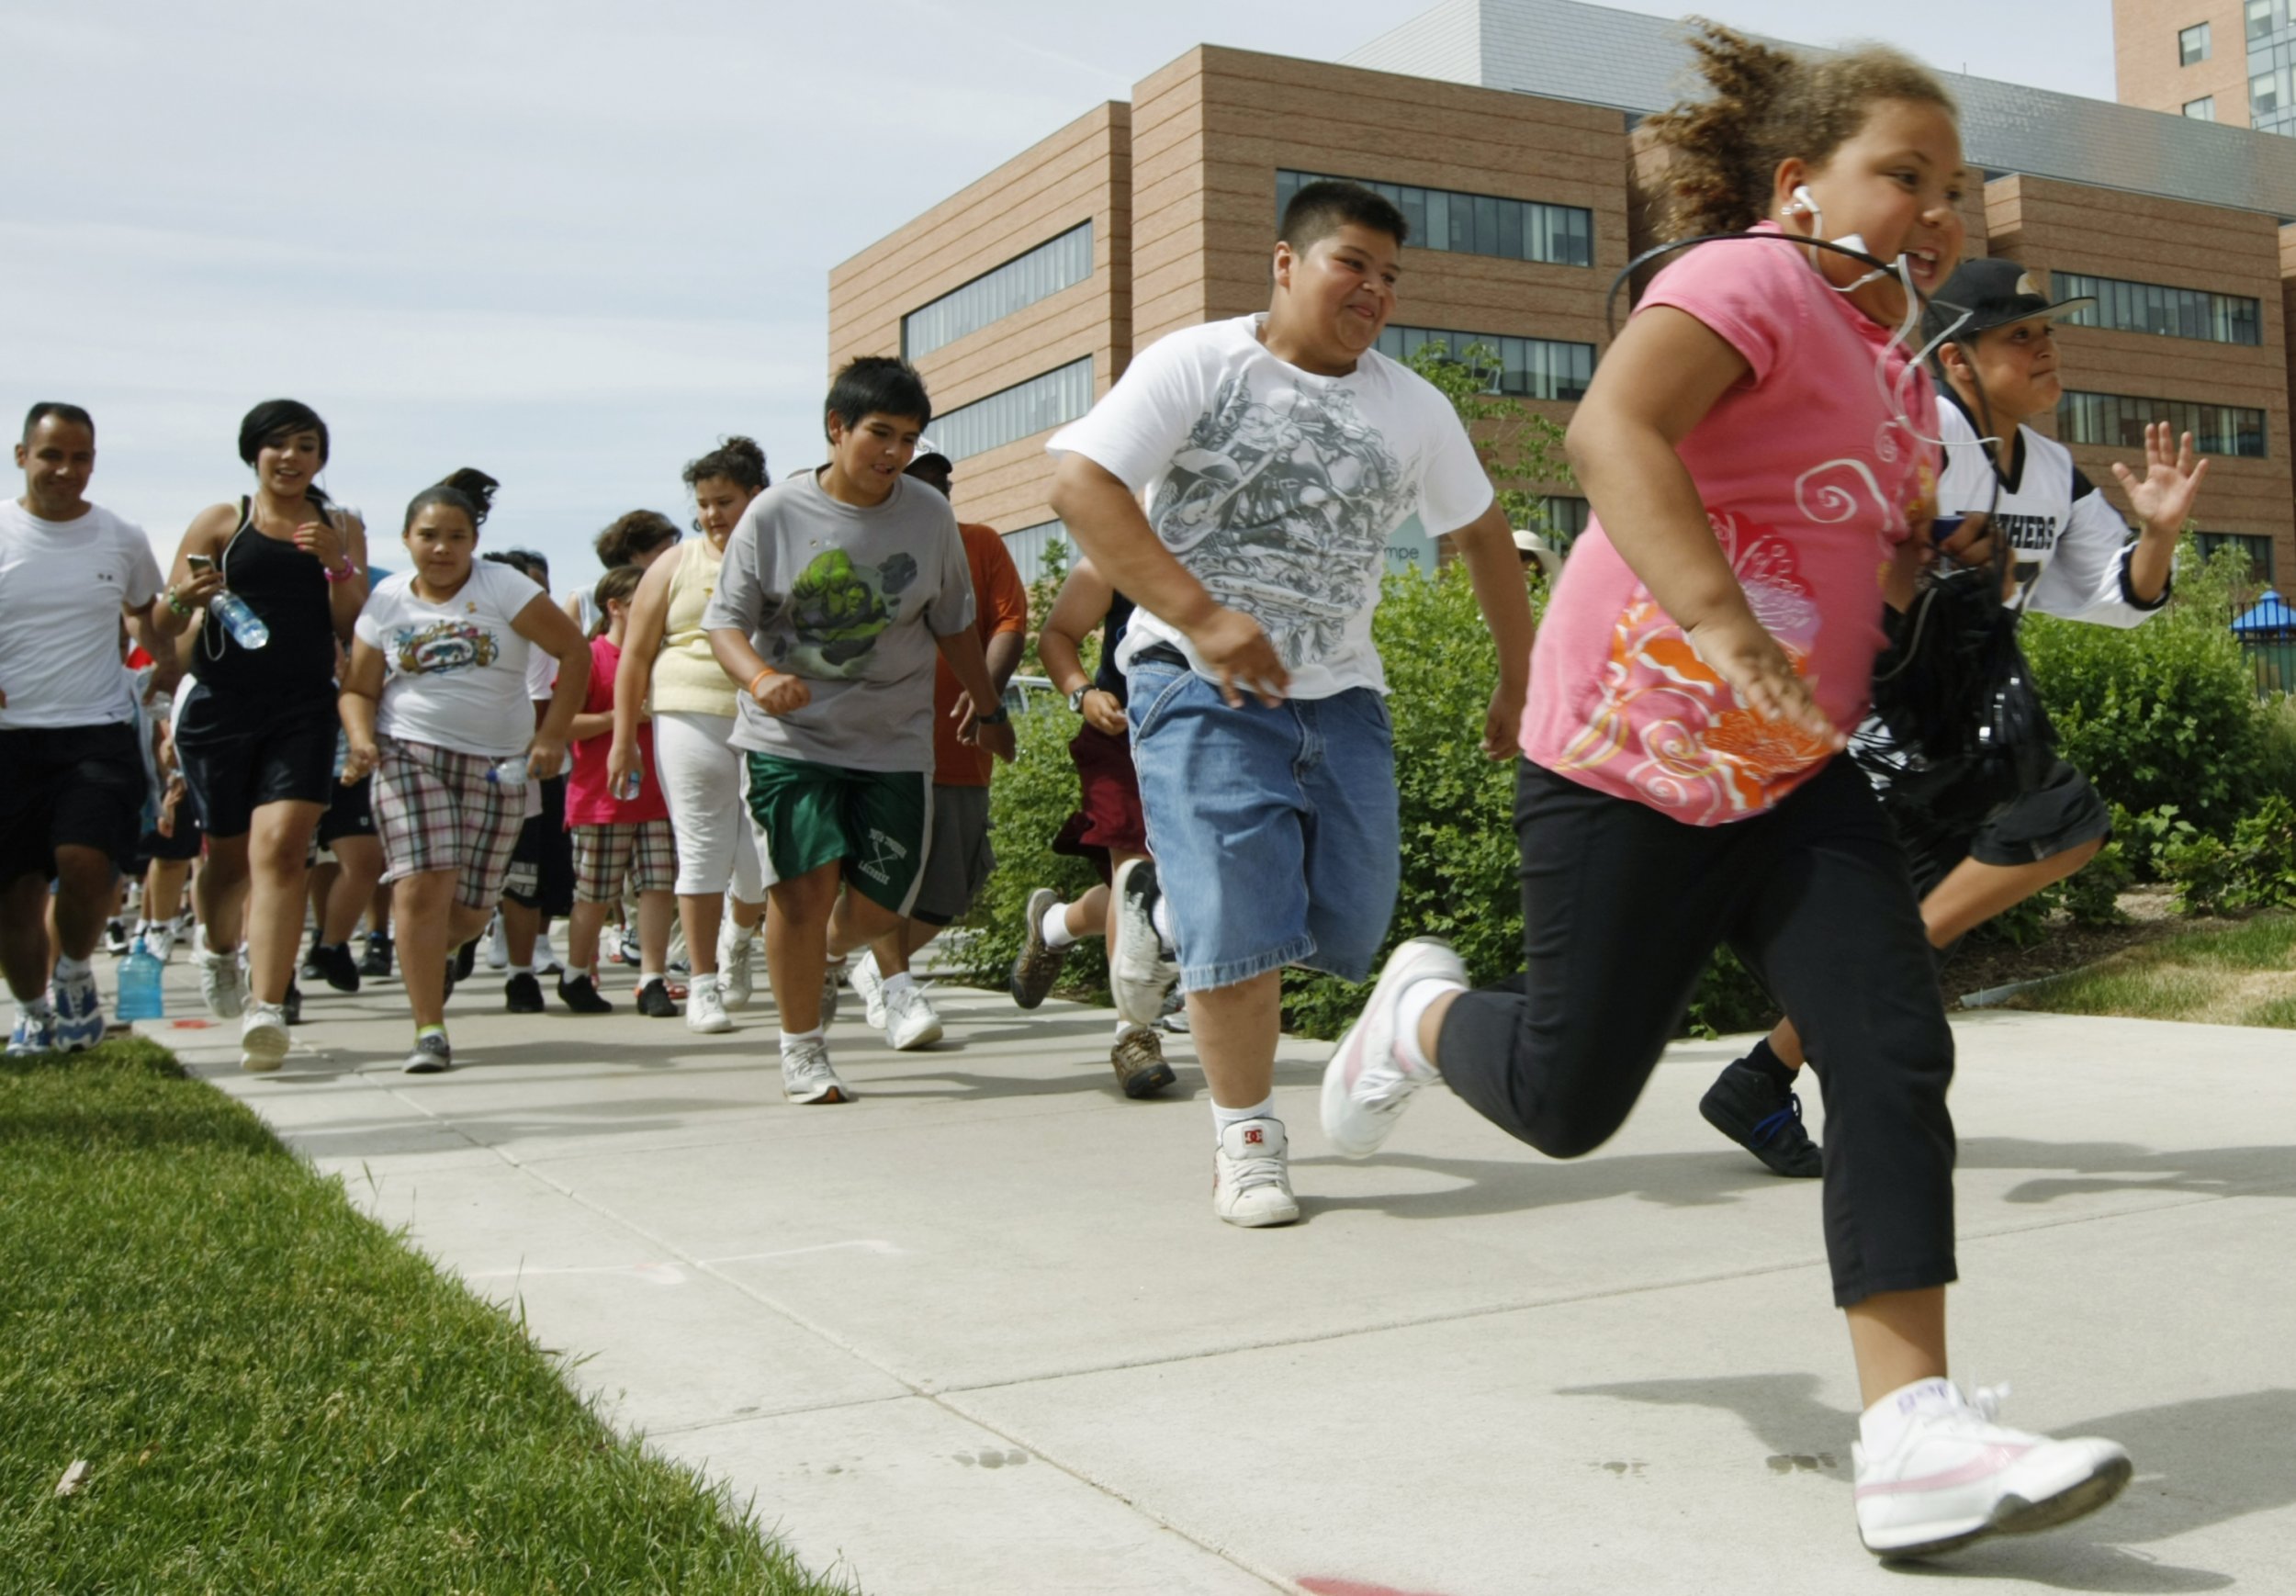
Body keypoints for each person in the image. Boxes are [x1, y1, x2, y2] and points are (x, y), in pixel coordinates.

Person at [1315, 28, 2133, 1557]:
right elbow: (1611, 429)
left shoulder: (1897, 371)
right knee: (1569, 1097)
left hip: (1789, 770)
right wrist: (1719, 616)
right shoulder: (1745, 280)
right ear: (1797, 182)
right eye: (1902, 172)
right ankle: (1416, 1016)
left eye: (1951, 187)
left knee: (1889, 1045)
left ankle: (1913, 1436)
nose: (1933, 209)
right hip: (1626, 754)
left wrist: (1916, 560)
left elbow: (1846, 535)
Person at [1047, 179, 1536, 1226]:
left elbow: (1484, 535)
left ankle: (1166, 904)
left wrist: (1518, 670)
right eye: (1351, 263)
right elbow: (1081, 486)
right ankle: (1249, 1140)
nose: (1374, 289)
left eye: (1391, 275)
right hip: (1194, 678)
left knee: (1347, 921)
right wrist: (1202, 613)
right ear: (1285, 263)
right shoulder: (1198, 363)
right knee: (1239, 925)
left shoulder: (1412, 404)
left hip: (1341, 693)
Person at [1701, 256, 2212, 1179]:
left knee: (1901, 914)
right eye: (2022, 335)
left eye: (2048, 332)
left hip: (1952, 722)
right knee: (2056, 815)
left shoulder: (2049, 469)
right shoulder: (1909, 429)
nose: (2047, 349)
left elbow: (2106, 594)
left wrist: (2162, 536)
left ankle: (1758, 1079)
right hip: (1865, 710)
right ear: (1959, 359)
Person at [703, 356, 1016, 1106]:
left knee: (879, 907)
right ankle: (802, 1047)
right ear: (836, 428)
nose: (895, 453)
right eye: (881, 433)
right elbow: (724, 625)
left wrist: (988, 708)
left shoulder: (928, 514)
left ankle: (826, 960)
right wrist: (760, 678)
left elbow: (955, 624)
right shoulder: (775, 513)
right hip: (792, 741)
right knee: (803, 895)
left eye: (909, 439)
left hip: (893, 742)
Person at [341, 470, 590, 1073]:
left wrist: (552, 735)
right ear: (406, 539)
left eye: (456, 535)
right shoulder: (388, 600)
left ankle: (445, 951)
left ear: (474, 540)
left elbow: (574, 652)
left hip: (498, 766)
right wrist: (360, 741)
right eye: (429, 535)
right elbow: (359, 689)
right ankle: (430, 1029)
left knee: (474, 907)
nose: (442, 548)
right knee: (423, 883)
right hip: (410, 753)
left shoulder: (503, 587)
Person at [157, 399, 368, 1070]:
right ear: (254, 453)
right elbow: (162, 623)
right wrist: (184, 599)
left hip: (304, 708)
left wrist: (337, 563)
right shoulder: (224, 521)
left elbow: (351, 622)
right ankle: (219, 949)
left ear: (319, 458)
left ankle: (267, 1005)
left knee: (281, 851)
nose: (291, 457)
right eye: (277, 445)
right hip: (222, 707)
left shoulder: (339, 526)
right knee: (226, 855)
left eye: (305, 446)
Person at [846, 442, 1030, 1051]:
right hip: (880, 749)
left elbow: (1009, 622)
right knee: (882, 875)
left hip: (959, 751)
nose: (933, 489)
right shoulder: (863, 545)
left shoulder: (979, 542)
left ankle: (865, 964)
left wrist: (987, 695)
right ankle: (896, 987)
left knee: (949, 890)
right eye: (918, 479)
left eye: (940, 480)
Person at [0, 403, 168, 1053]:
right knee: (14, 892)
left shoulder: (121, 537)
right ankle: (35, 1012)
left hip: (94, 727)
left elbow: (148, 616)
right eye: (51, 456)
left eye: (80, 458)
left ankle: (73, 974)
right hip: (10, 736)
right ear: (22, 457)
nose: (66, 470)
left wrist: (166, 666)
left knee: (86, 860)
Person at [611, 444, 773, 1034]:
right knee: (703, 847)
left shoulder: (786, 551)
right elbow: (633, 656)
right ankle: (702, 984)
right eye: (702, 504)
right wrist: (623, 738)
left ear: (757, 494)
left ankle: (738, 935)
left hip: (770, 718)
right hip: (688, 711)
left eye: (723, 501)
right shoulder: (674, 563)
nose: (711, 514)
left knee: (763, 861)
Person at [1007, 557, 1178, 1098]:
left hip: (1203, 739)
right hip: (1120, 736)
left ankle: (1055, 924)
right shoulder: (1115, 546)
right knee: (1137, 877)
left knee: (1174, 893)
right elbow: (1057, 634)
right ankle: (1134, 1035)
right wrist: (1082, 692)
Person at [560, 566, 678, 1014]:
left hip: (658, 798)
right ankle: (576, 974)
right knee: (594, 893)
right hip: (600, 801)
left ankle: (652, 978)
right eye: (641, 601)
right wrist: (622, 718)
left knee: (659, 886)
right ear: (614, 607)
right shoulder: (589, 657)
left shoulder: (662, 658)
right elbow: (563, 723)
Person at [489, 546, 579, 1007]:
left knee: (526, 878)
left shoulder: (543, 639)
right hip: (454, 764)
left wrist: (546, 742)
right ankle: (458, 946)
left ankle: (521, 973)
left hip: (521, 769)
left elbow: (546, 701)